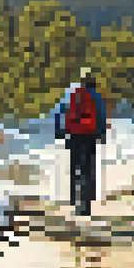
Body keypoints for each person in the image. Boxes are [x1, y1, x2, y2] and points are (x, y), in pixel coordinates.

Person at [52, 68, 107, 217]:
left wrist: (60, 131)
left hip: (74, 133)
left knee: (74, 165)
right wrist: (102, 133)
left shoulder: (70, 93)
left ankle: (73, 198)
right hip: (90, 135)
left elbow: (59, 112)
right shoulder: (95, 95)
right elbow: (102, 115)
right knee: (88, 168)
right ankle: (86, 203)